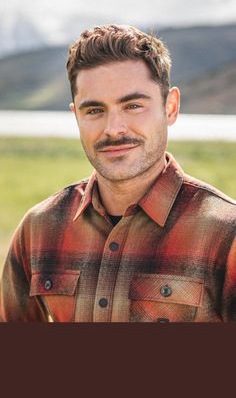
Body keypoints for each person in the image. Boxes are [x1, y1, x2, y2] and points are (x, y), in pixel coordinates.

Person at [0, 24, 236, 322]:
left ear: (170, 107)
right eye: (95, 111)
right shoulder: (38, 229)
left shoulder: (227, 235)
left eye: (133, 105)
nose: (113, 129)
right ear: (77, 116)